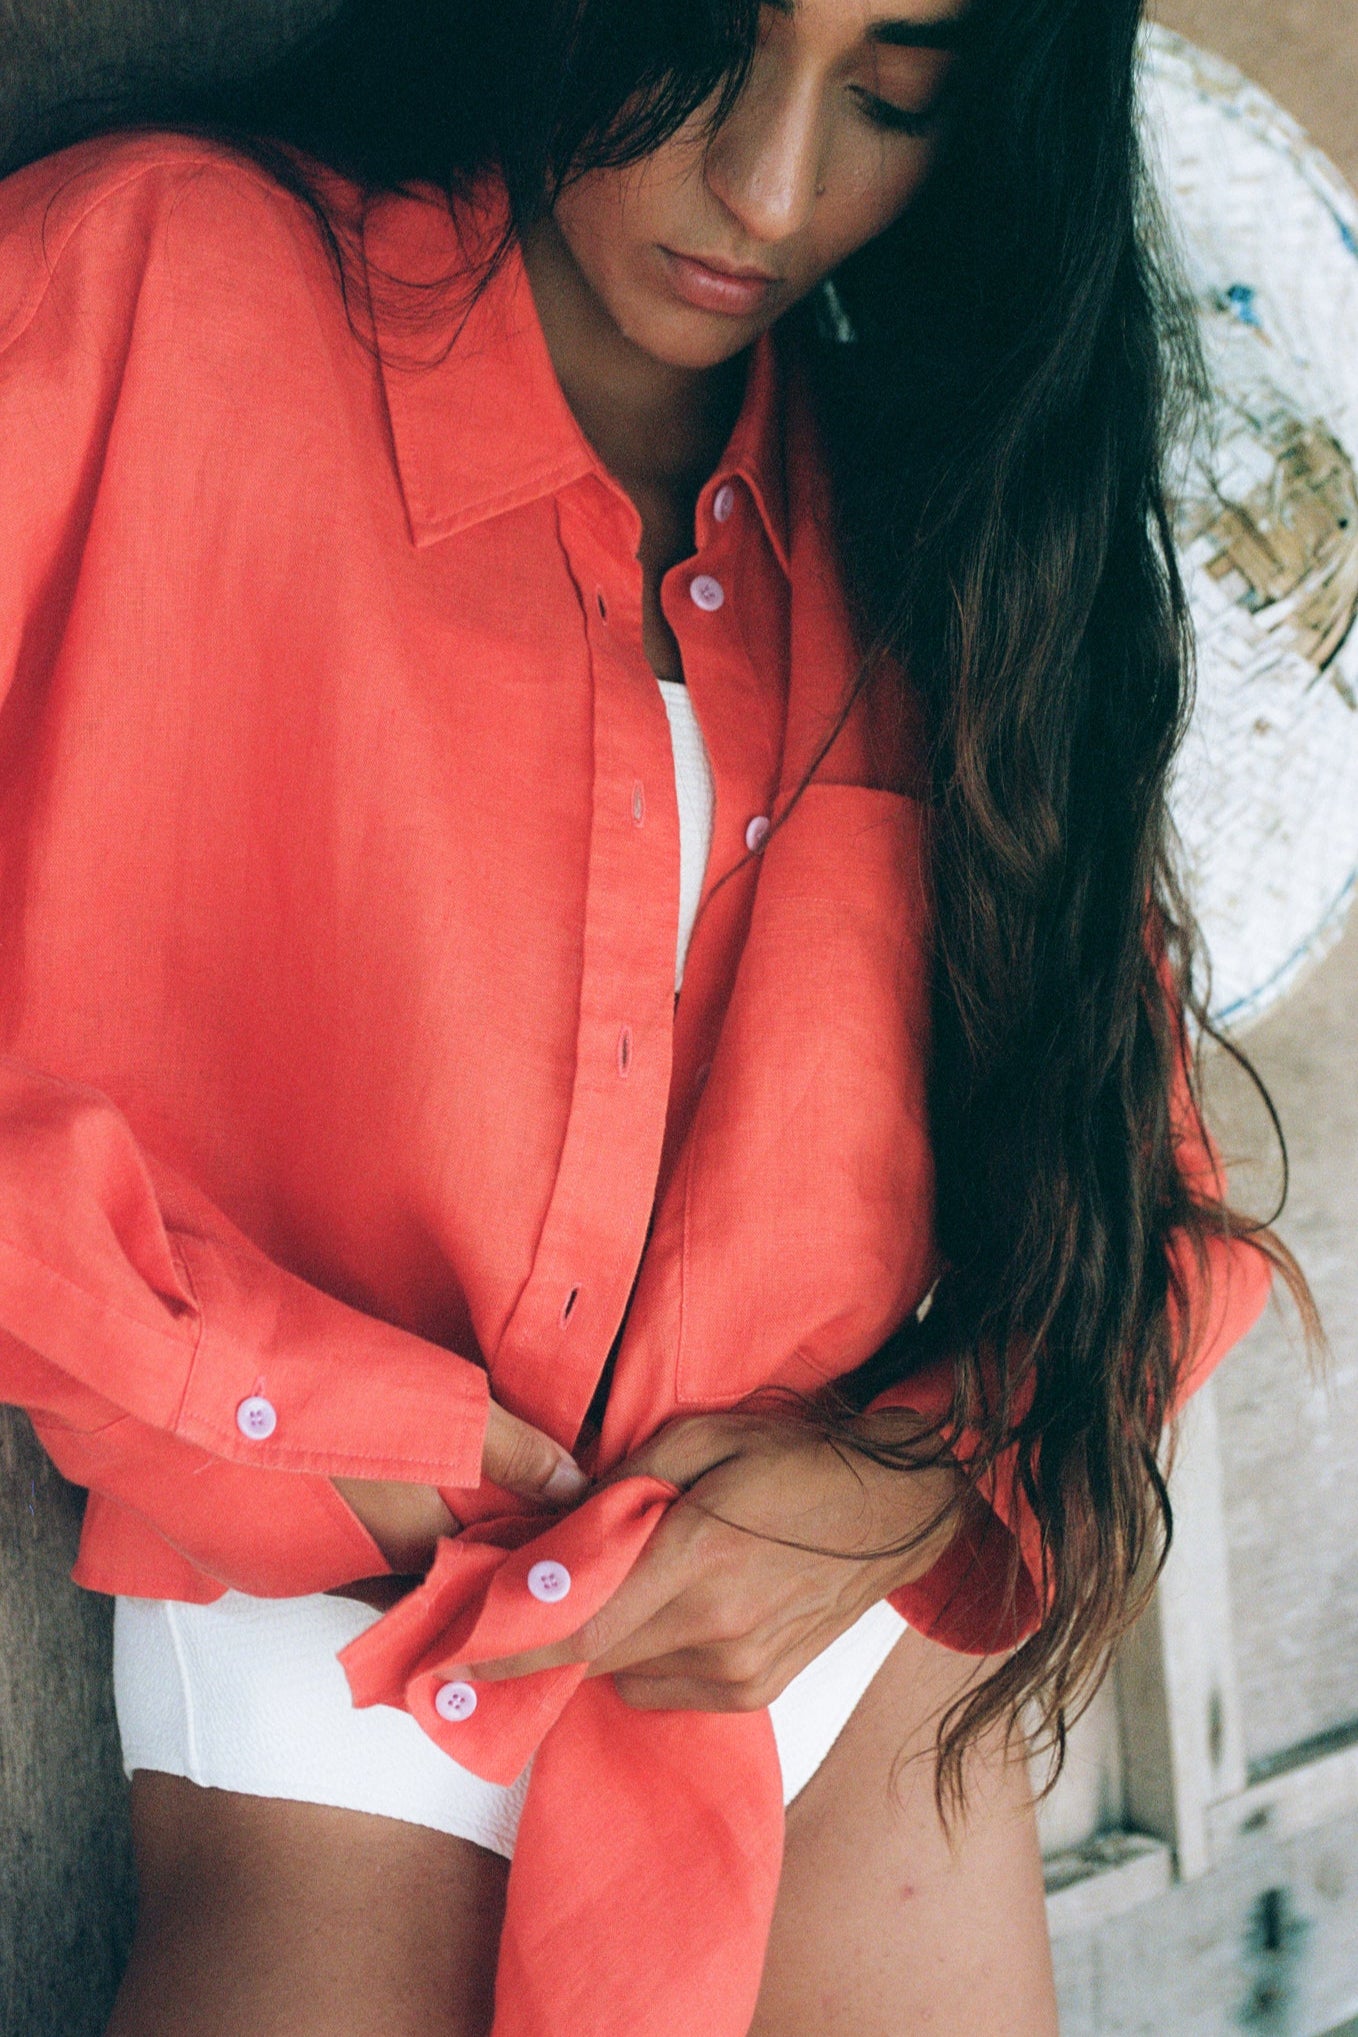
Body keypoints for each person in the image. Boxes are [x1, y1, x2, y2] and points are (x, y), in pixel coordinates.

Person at [0, 0, 1302, 2031]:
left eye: (894, 96)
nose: (771, 192)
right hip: (340, 1665)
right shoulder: (137, 291)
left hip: (842, 1659)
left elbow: (1150, 1202)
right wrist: (260, 1395)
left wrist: (917, 1478)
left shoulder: (949, 502)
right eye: (703, 49)